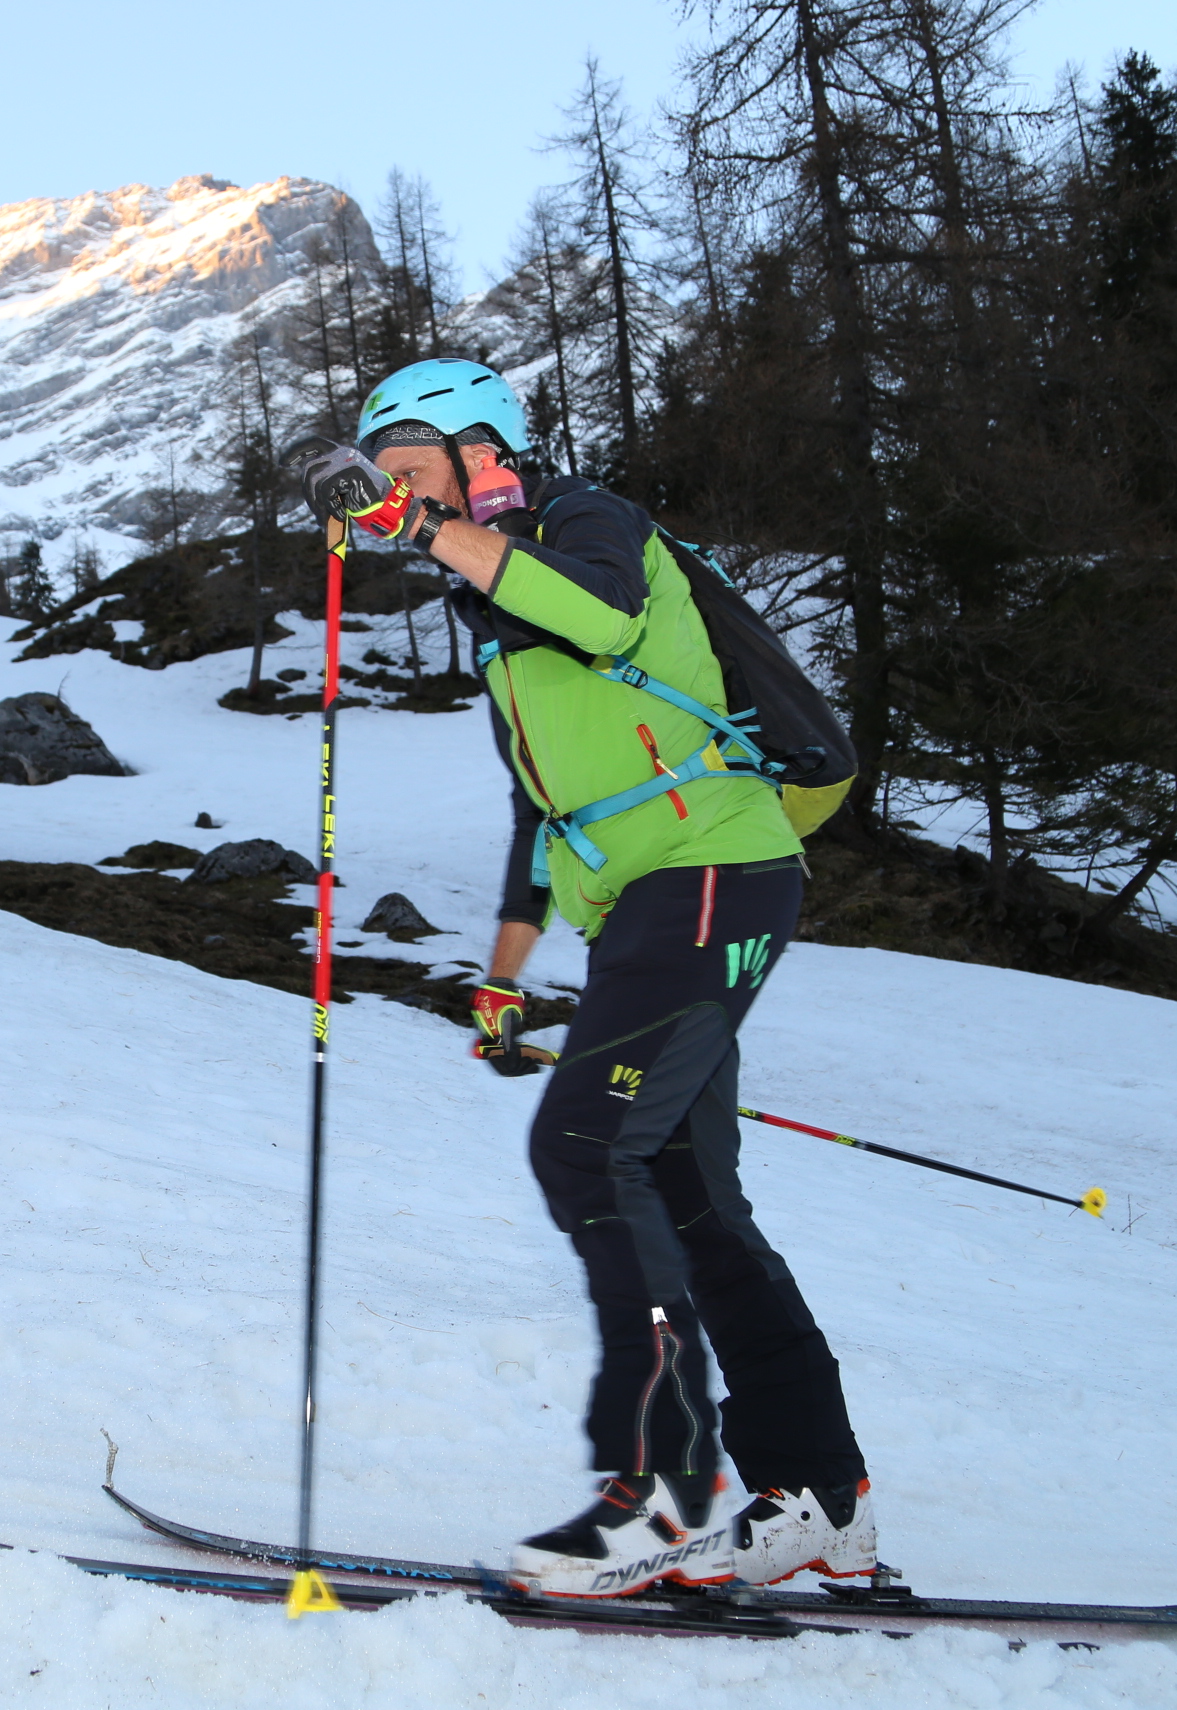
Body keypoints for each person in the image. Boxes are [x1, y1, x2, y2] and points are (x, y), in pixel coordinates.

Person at [298, 358, 876, 1599]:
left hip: (712, 869)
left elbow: (607, 616)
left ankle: (665, 1498)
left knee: (583, 1149)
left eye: (414, 474)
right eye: (386, 486)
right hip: (650, 904)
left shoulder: (588, 522)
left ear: (481, 454)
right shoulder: (502, 616)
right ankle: (822, 1496)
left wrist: (417, 527)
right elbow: (541, 812)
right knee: (684, 1191)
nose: (399, 504)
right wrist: (505, 981)